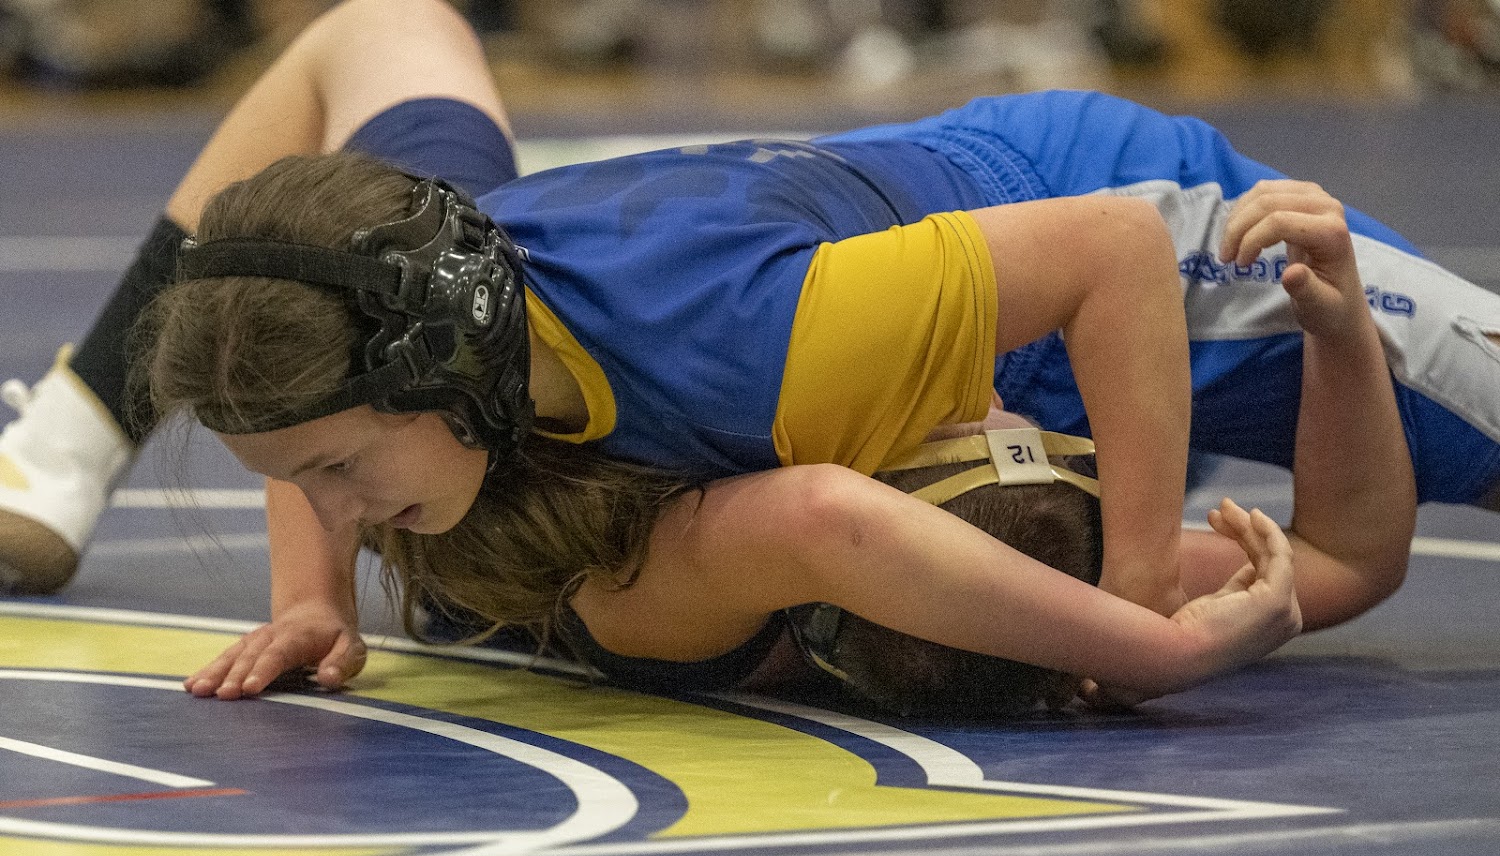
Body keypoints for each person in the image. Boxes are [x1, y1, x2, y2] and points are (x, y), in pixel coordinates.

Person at [3, 0, 1441, 707]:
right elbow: (1344, 555)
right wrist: (1328, 340)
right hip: (1014, 223)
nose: (322, 508)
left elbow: (832, 514)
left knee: (380, 36)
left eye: (329, 476)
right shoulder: (654, 410)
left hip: (999, 226)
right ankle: (72, 442)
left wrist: (1145, 628)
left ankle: (66, 441)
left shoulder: (685, 476)